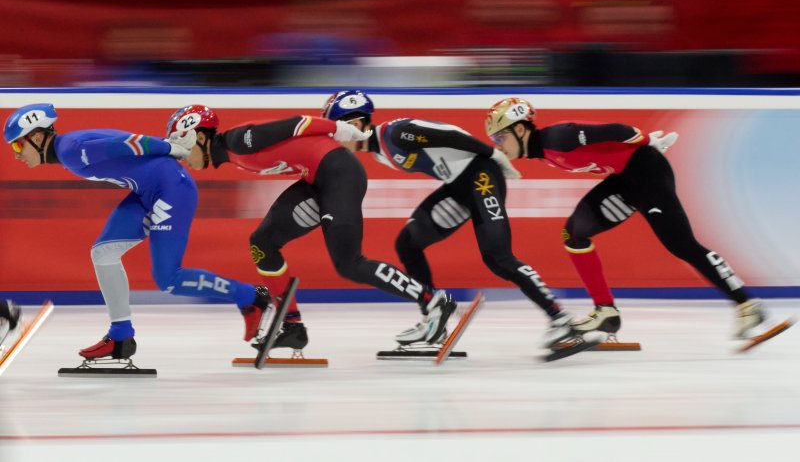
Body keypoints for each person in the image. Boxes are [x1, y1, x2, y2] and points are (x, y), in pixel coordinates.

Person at [165, 104, 457, 351]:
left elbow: (298, 123)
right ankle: (291, 325)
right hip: (317, 181)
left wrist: (340, 130)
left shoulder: (240, 140)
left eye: (180, 147)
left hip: (338, 174)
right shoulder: (233, 153)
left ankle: (433, 301)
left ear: (198, 137)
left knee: (349, 263)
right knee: (262, 243)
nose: (180, 158)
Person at [3, 103, 276, 363]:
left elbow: (127, 143)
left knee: (168, 279)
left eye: (18, 144)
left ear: (38, 137)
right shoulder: (69, 148)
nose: (16, 153)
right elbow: (125, 142)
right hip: (147, 191)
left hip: (171, 189)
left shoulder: (71, 150)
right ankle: (121, 337)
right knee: (103, 253)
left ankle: (251, 297)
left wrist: (171, 147)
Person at [484, 97, 772, 340]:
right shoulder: (543, 152)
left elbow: (618, 130)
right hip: (624, 179)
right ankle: (606, 312)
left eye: (500, 137)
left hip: (647, 172)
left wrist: (648, 142)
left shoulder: (557, 138)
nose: (498, 145)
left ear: (520, 129)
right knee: (573, 234)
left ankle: (747, 304)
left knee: (681, 245)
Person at [321, 90, 590, 350]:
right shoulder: (380, 151)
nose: (334, 138)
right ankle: (433, 317)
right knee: (408, 243)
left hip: (481, 177)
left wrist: (492, 154)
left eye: (335, 130)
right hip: (459, 187)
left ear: (355, 123)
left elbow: (449, 134)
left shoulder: (395, 133)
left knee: (498, 257)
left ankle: (560, 319)